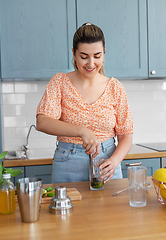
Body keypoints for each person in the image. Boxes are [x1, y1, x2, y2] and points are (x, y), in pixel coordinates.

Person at [36, 22, 133, 184]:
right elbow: (42, 122)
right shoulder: (60, 82)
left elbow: (125, 134)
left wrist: (114, 161)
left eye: (97, 56)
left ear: (104, 53)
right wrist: (82, 131)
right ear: (74, 54)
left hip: (107, 163)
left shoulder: (115, 87)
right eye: (84, 56)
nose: (90, 64)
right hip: (68, 163)